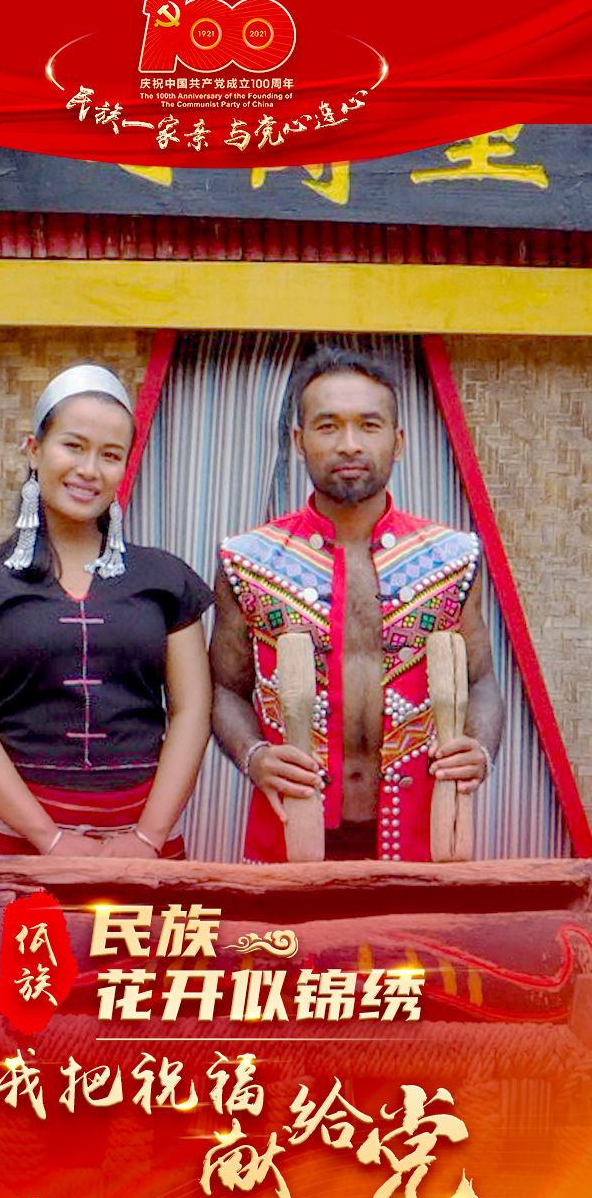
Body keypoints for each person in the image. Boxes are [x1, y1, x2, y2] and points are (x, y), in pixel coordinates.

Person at [210, 346, 504, 862]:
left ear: (397, 441)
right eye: (328, 426)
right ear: (299, 442)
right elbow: (225, 691)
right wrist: (254, 757)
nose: (349, 444)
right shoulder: (248, 561)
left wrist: (477, 751)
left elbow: (480, 682)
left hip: (424, 844)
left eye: (369, 425)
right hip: (288, 839)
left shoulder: (452, 559)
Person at [0, 362, 212, 859]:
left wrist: (148, 838)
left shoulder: (167, 579)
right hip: (7, 844)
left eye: (110, 455)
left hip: (140, 851)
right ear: (34, 449)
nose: (89, 470)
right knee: (17, 920)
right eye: (73, 446)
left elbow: (192, 710)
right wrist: (48, 839)